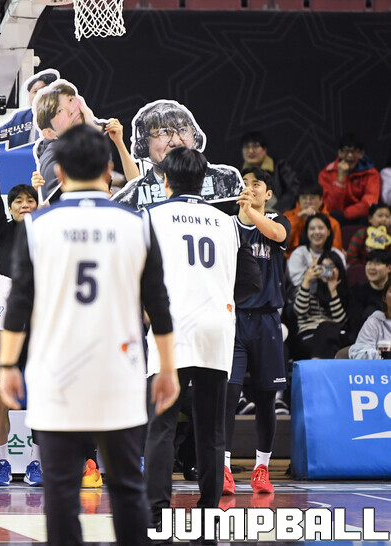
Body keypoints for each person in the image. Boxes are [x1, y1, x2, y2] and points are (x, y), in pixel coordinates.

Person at [0, 124, 179, 546]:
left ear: (59, 173)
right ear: (108, 169)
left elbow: (18, 305)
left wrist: (7, 364)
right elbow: (159, 304)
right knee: (127, 489)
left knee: (61, 493)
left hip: (56, 373)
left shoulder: (36, 226)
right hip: (119, 372)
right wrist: (168, 367)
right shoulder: (137, 223)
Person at [143, 146, 261, 541]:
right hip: (216, 328)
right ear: (204, 181)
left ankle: (156, 515)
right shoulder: (228, 223)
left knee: (161, 425)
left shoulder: (151, 217)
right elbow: (252, 282)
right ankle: (210, 514)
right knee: (211, 429)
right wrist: (218, 296)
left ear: (165, 181)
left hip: (170, 328)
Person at [223, 167, 291, 497]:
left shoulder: (279, 220)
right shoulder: (225, 225)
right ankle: (223, 468)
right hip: (233, 319)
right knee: (227, 395)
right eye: (245, 184)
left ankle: (261, 468)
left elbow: (277, 235)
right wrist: (244, 214)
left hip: (266, 321)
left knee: (266, 398)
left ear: (268, 194)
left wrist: (251, 212)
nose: (249, 188)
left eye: (256, 184)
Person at [0, 142, 43, 486]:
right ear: (11, 209)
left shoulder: (48, 233)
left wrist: (46, 194)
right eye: (18, 201)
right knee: (0, 396)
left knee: (41, 394)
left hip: (41, 325)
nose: (24, 205)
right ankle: (2, 463)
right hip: (5, 325)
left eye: (30, 200)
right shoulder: (2, 232)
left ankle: (36, 463)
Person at [112, 100, 242, 211]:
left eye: (183, 130)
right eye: (163, 132)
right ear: (144, 146)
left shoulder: (227, 180)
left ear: (196, 138)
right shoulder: (129, 199)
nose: (176, 142)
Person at [32, 82, 139, 204]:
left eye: (71, 100)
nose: (71, 110)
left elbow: (136, 185)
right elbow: (47, 206)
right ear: (49, 133)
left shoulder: (107, 133)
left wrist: (118, 142)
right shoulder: (51, 157)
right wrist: (40, 191)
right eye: (60, 110)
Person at [0, 69, 59, 149]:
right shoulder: (20, 118)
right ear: (29, 97)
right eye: (35, 91)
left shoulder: (64, 115)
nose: (39, 94)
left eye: (43, 89)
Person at [292, 248, 348, 360]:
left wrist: (333, 291)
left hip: (334, 334)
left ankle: (317, 362)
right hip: (309, 334)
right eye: (323, 267)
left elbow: (340, 321)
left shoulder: (343, 291)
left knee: (327, 327)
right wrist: (306, 280)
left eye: (331, 266)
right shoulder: (308, 287)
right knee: (325, 328)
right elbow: (300, 311)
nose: (326, 271)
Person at [318, 133, 381, 224]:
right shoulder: (326, 174)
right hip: (335, 218)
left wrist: (345, 214)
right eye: (346, 151)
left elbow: (369, 203)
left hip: (360, 217)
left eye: (354, 151)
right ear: (339, 153)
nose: (350, 155)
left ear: (361, 154)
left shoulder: (371, 173)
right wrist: (340, 181)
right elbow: (330, 207)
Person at [286, 213, 347, 297]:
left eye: (321, 228)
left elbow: (342, 281)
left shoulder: (337, 254)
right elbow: (296, 283)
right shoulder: (299, 254)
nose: (317, 232)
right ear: (307, 232)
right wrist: (312, 275)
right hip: (304, 298)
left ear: (328, 231)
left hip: (332, 296)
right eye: (312, 228)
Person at [239, 131, 300, 213]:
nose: (250, 151)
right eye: (246, 147)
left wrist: (275, 210)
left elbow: (292, 192)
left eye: (255, 146)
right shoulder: (238, 173)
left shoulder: (280, 167)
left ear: (264, 149)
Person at [283, 180, 343, 256]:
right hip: (291, 259)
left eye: (312, 198)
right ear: (299, 200)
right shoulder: (287, 217)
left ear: (321, 200)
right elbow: (283, 243)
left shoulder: (333, 223)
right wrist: (298, 219)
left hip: (323, 259)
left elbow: (336, 252)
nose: (308, 201)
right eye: (304, 198)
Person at [348, 250, 391, 340]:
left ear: (389, 268)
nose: (372, 268)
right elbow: (354, 324)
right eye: (369, 263)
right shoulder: (357, 290)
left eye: (377, 264)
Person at [349, 278, 391, 359]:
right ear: (384, 298)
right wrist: (384, 355)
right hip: (380, 367)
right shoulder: (374, 322)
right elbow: (359, 353)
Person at [346, 202, 391, 267]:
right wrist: (362, 268)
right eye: (380, 216)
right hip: (363, 269)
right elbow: (351, 255)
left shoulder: (389, 235)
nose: (384, 219)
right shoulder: (362, 234)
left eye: (387, 216)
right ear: (370, 218)